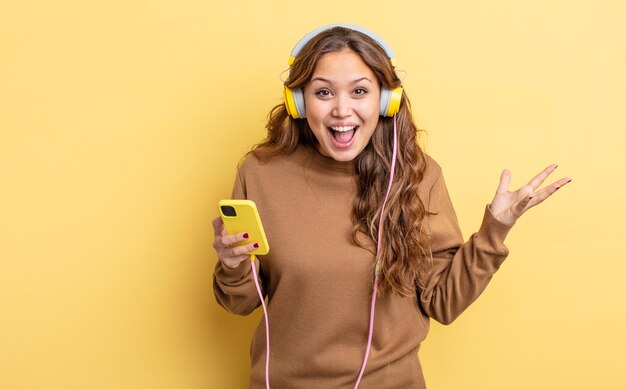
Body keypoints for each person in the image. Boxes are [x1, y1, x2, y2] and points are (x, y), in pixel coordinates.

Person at [211, 24, 571, 389]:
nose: (341, 109)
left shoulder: (419, 177)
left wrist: (496, 228)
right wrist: (233, 264)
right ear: (299, 102)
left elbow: (443, 303)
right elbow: (239, 304)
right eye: (323, 92)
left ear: (386, 100)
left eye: (360, 92)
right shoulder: (260, 173)